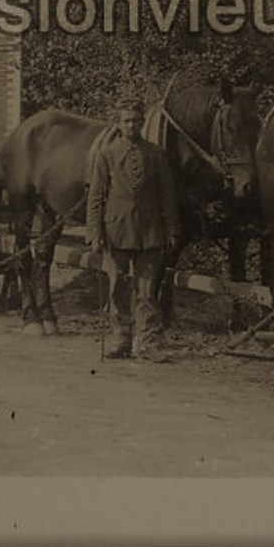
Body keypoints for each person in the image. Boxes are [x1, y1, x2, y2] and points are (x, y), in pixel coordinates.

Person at [85, 97, 180, 361]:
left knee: (147, 290)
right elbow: (96, 197)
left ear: (142, 122)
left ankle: (148, 342)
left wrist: (172, 229)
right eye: (126, 120)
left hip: (150, 231)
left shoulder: (156, 154)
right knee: (117, 287)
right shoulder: (107, 154)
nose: (131, 125)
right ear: (119, 123)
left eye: (136, 120)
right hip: (116, 230)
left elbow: (168, 196)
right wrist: (93, 232)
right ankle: (121, 338)